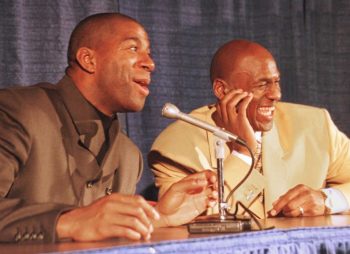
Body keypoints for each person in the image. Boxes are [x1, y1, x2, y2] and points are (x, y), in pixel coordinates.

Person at [0, 13, 218, 243]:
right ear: (88, 60)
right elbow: (81, 224)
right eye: (133, 48)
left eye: (149, 53)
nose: (150, 64)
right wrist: (70, 222)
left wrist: (159, 217)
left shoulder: (129, 156)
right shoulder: (18, 111)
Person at [149, 39, 350, 220]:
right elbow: (184, 219)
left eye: (276, 82)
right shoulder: (175, 148)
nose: (276, 95)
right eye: (261, 85)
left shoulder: (314, 125)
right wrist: (243, 153)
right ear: (222, 90)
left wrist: (328, 200)